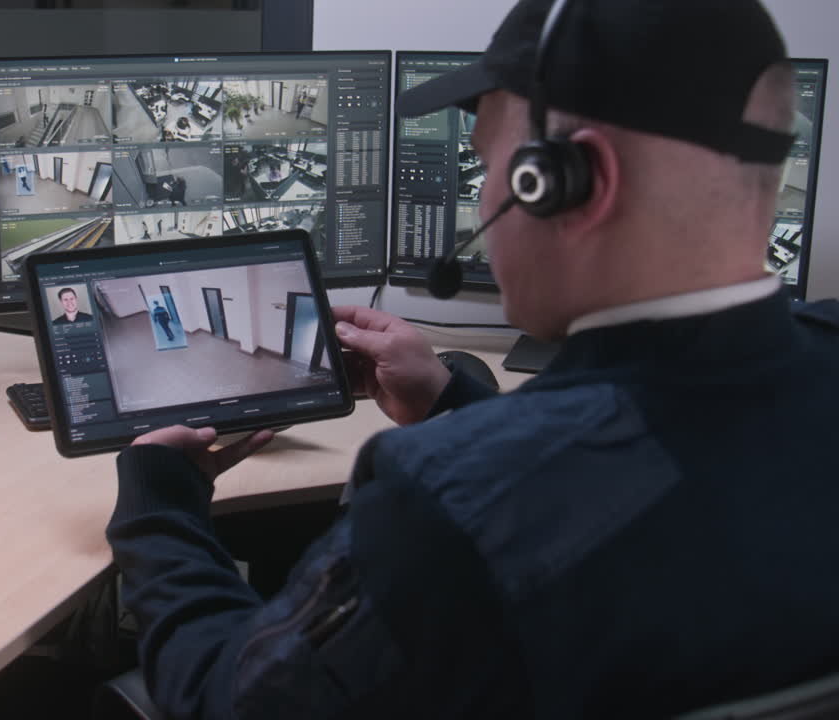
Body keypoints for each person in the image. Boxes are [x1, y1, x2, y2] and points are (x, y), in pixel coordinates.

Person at [104, 0, 839, 718]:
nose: (483, 193)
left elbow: (228, 698)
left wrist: (159, 502)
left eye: (487, 165)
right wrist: (451, 403)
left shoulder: (446, 496)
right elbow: (633, 478)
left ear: (563, 184)